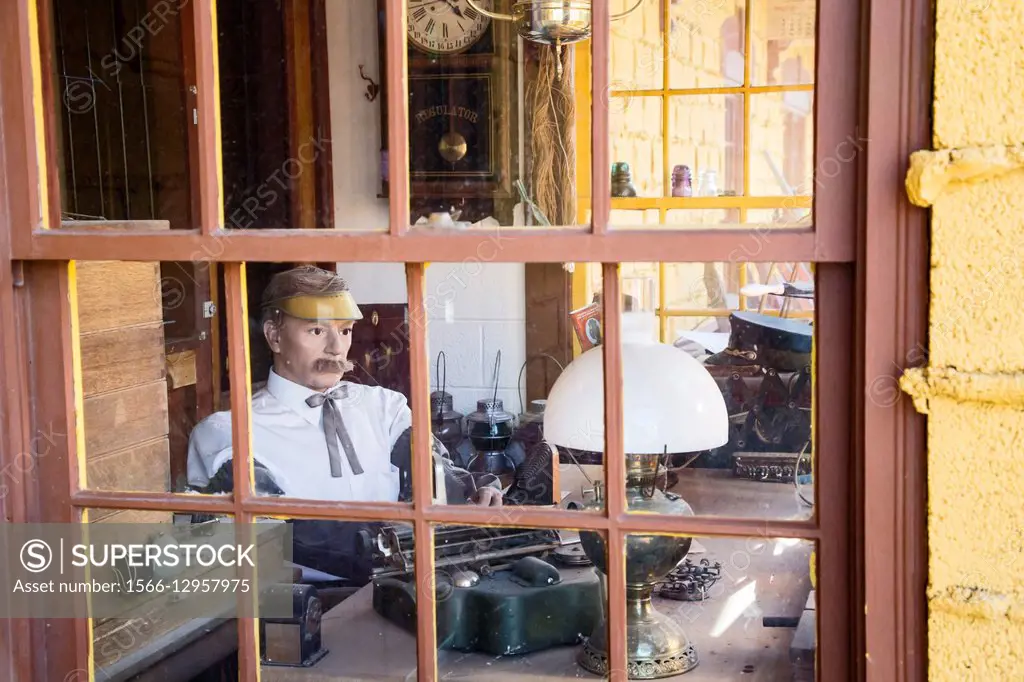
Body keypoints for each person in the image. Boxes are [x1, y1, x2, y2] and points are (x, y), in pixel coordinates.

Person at [186, 265, 502, 582]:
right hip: (303, 611)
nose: (336, 348)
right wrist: (390, 540)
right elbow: (281, 533)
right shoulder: (230, 432)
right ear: (274, 336)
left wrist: (479, 493)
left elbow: (437, 480)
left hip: (406, 586)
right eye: (317, 331)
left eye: (345, 330)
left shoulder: (386, 407)